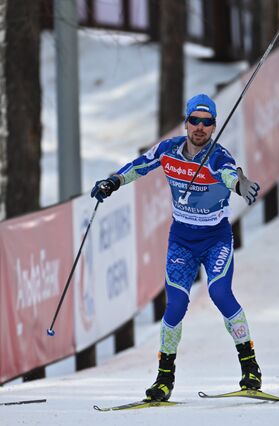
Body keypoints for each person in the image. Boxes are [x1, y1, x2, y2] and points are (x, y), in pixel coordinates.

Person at [90, 94, 262, 401]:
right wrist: (113, 182)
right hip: (182, 241)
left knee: (220, 294)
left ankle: (250, 369)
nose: (200, 127)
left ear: (213, 126)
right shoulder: (169, 150)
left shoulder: (218, 156)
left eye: (207, 122)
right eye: (194, 121)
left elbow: (231, 174)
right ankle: (164, 380)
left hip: (215, 239)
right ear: (185, 122)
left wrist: (242, 186)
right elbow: (140, 165)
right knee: (175, 307)